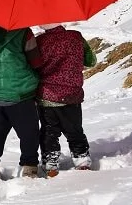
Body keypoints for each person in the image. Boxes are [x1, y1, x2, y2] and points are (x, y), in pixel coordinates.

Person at [0, 21, 42, 184]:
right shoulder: (24, 32)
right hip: (21, 94)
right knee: (29, 133)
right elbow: (36, 62)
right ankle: (29, 167)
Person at [35, 23, 97, 177]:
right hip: (72, 96)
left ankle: (51, 162)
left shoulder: (39, 42)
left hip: (47, 96)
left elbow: (33, 66)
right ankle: (81, 158)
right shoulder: (76, 37)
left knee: (49, 131)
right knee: (75, 130)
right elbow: (91, 61)